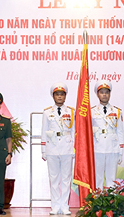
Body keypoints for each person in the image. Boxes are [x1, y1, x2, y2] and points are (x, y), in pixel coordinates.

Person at [41, 82, 75, 215]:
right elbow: (44, 131)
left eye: (62, 94)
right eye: (57, 94)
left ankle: (65, 205)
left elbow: (74, 131)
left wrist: (74, 149)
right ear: (53, 96)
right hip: (52, 147)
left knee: (66, 178)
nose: (59, 97)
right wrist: (43, 150)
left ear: (65, 96)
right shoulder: (47, 112)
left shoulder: (71, 112)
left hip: (67, 147)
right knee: (54, 178)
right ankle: (55, 206)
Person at [91, 80, 124, 189]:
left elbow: (120, 131)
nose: (104, 95)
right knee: (98, 178)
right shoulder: (91, 111)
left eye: (106, 92)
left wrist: (121, 151)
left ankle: (111, 203)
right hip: (97, 147)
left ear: (110, 94)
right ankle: (98, 202)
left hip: (112, 147)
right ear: (97, 94)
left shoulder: (117, 111)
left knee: (111, 178)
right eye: (102, 92)